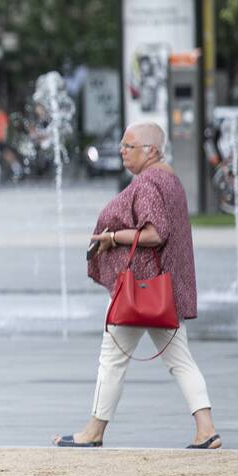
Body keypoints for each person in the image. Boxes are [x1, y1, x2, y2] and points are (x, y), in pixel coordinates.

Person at [53, 123, 219, 449]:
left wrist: (112, 237)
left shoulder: (148, 183)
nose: (122, 150)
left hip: (138, 289)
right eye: (122, 145)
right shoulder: (171, 181)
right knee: (180, 360)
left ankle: (93, 432)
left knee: (112, 358)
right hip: (163, 291)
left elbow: (156, 233)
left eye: (129, 146)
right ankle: (206, 429)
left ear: (151, 150)